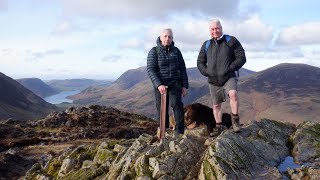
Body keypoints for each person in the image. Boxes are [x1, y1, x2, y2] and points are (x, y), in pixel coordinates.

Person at [197, 19, 246, 136]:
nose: (215, 31)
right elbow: (200, 61)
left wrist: (232, 67)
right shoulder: (206, 44)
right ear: (210, 30)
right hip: (213, 80)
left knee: (233, 94)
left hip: (229, 76)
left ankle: (235, 122)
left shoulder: (231, 41)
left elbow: (241, 57)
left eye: (217, 28)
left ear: (221, 28)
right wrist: (206, 71)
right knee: (216, 105)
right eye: (212, 29)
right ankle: (218, 127)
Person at [147, 28, 189, 135]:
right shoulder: (154, 51)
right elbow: (151, 70)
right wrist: (158, 84)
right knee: (162, 109)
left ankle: (180, 133)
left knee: (177, 106)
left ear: (172, 38)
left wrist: (185, 86)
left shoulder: (176, 51)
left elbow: (182, 69)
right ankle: (163, 132)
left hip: (175, 83)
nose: (167, 38)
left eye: (170, 37)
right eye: (165, 36)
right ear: (160, 38)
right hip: (161, 85)